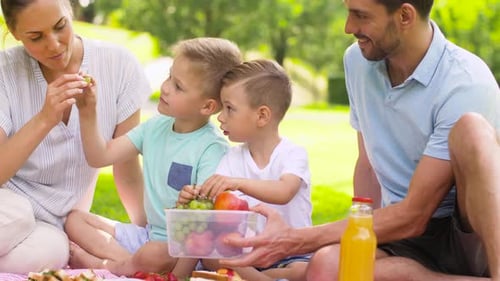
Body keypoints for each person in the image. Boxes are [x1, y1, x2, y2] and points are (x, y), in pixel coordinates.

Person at [219, 0, 500, 280]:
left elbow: (416, 215)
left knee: (472, 128)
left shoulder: (465, 81)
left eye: (361, 16)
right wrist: (359, 238)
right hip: (403, 232)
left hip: (470, 236)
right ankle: (412, 273)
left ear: (404, 16)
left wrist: (296, 238)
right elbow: (367, 165)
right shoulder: (359, 61)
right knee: (325, 267)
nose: (348, 27)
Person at [63, 37, 243, 277]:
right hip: (148, 236)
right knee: (75, 220)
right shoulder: (155, 127)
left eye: (178, 86)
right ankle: (130, 263)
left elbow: (201, 229)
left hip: (180, 251)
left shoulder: (212, 149)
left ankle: (110, 267)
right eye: (169, 77)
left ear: (207, 107)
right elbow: (100, 156)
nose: (166, 87)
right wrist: (87, 112)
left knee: (155, 254)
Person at [0, 0, 150, 273]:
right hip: (6, 205)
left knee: (53, 254)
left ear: (70, 11)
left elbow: (126, 168)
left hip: (53, 226)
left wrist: (148, 235)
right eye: (36, 37)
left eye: (60, 27)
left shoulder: (119, 65)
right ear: (13, 30)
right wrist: (46, 117)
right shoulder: (4, 71)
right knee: (17, 215)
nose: (54, 45)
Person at [177, 59, 312, 281]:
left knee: (303, 270)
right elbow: (212, 209)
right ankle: (262, 277)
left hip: (290, 254)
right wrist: (190, 199)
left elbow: (284, 191)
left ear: (262, 116)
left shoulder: (293, 154)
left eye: (229, 108)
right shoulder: (231, 158)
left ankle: (256, 276)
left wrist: (238, 183)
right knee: (210, 253)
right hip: (247, 254)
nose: (220, 116)